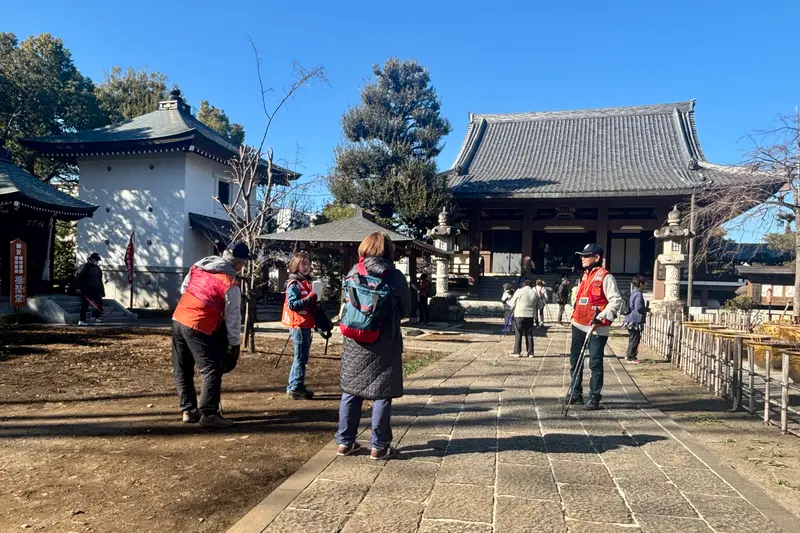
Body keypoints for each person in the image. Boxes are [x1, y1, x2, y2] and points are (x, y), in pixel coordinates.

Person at [336, 232, 410, 460]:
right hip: (384, 340)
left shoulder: (353, 272)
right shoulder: (394, 276)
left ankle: (345, 442)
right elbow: (407, 309)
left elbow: (345, 305)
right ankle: (378, 446)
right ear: (388, 251)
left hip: (355, 339)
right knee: (381, 394)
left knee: (351, 391)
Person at [171, 242, 249, 428]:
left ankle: (189, 410)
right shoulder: (231, 284)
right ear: (238, 263)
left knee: (183, 366)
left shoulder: (199, 266)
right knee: (212, 368)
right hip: (199, 324)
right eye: (243, 263)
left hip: (178, 317)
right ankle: (209, 412)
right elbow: (232, 319)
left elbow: (184, 289)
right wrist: (233, 346)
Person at [569, 244, 623, 410]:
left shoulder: (606, 277)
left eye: (586, 255)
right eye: (582, 256)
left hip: (596, 326)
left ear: (597, 257)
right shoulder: (584, 275)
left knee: (595, 362)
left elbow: (616, 300)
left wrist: (601, 316)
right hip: (578, 322)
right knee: (575, 360)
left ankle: (594, 397)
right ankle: (575, 393)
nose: (583, 258)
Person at [281, 251, 318, 400]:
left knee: (302, 356)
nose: (306, 267)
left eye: (308, 264)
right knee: (301, 357)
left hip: (305, 323)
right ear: (296, 266)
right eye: (303, 264)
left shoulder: (305, 282)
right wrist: (308, 300)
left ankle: (295, 385)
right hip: (298, 323)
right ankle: (296, 387)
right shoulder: (294, 284)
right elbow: (292, 304)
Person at [508, 279, 539, 357]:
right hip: (530, 315)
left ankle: (517, 351)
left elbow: (512, 303)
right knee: (529, 333)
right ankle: (530, 352)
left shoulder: (519, 291)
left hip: (519, 314)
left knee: (518, 333)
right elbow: (540, 305)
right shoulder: (534, 293)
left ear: (523, 285)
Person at [75, 252, 105, 326]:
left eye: (97, 260)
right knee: (85, 305)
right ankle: (82, 320)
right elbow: (78, 277)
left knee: (100, 303)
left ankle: (95, 317)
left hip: (96, 289)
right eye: (95, 260)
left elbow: (100, 280)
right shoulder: (85, 266)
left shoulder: (98, 269)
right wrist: (78, 287)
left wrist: (102, 291)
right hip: (86, 289)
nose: (96, 261)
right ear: (91, 259)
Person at [623, 275, 647, 363]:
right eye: (644, 284)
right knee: (635, 338)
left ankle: (629, 354)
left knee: (632, 337)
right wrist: (646, 310)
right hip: (635, 319)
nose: (645, 285)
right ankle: (631, 356)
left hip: (629, 318)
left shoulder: (633, 292)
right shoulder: (638, 294)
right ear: (640, 284)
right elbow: (639, 307)